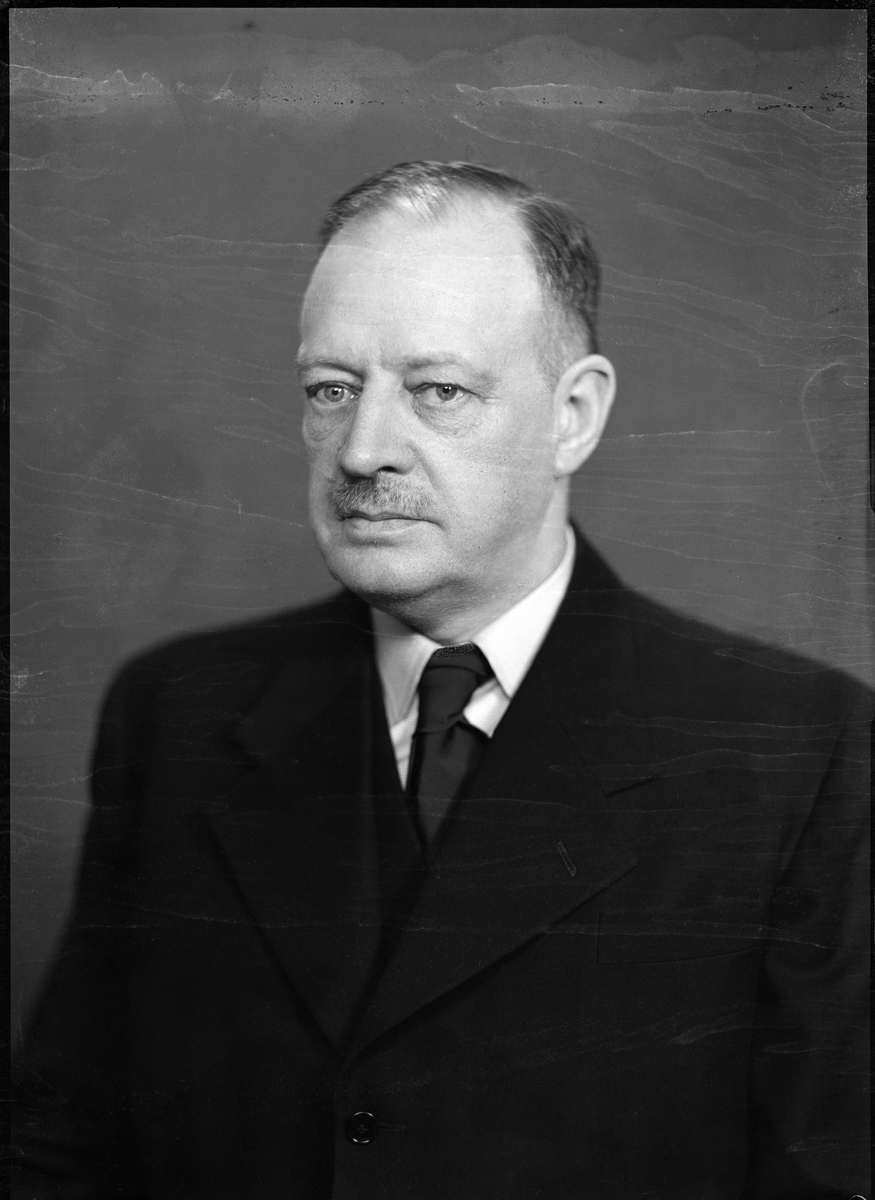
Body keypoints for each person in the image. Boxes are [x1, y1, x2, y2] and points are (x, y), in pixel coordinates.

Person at [14, 162, 870, 1199]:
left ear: (572, 416)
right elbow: (64, 1150)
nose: (362, 451)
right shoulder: (178, 714)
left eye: (438, 391)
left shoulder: (801, 753)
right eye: (331, 390)